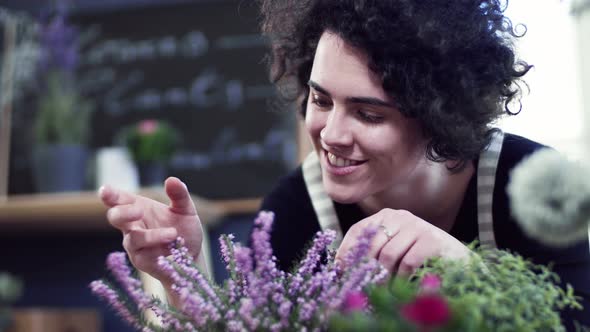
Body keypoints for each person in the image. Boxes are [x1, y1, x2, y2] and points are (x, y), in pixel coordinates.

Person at [99, 0, 590, 329]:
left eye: (368, 113)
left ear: (440, 117)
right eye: (320, 98)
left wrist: (468, 270)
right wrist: (183, 277)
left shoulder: (533, 188)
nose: (330, 134)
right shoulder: (294, 211)